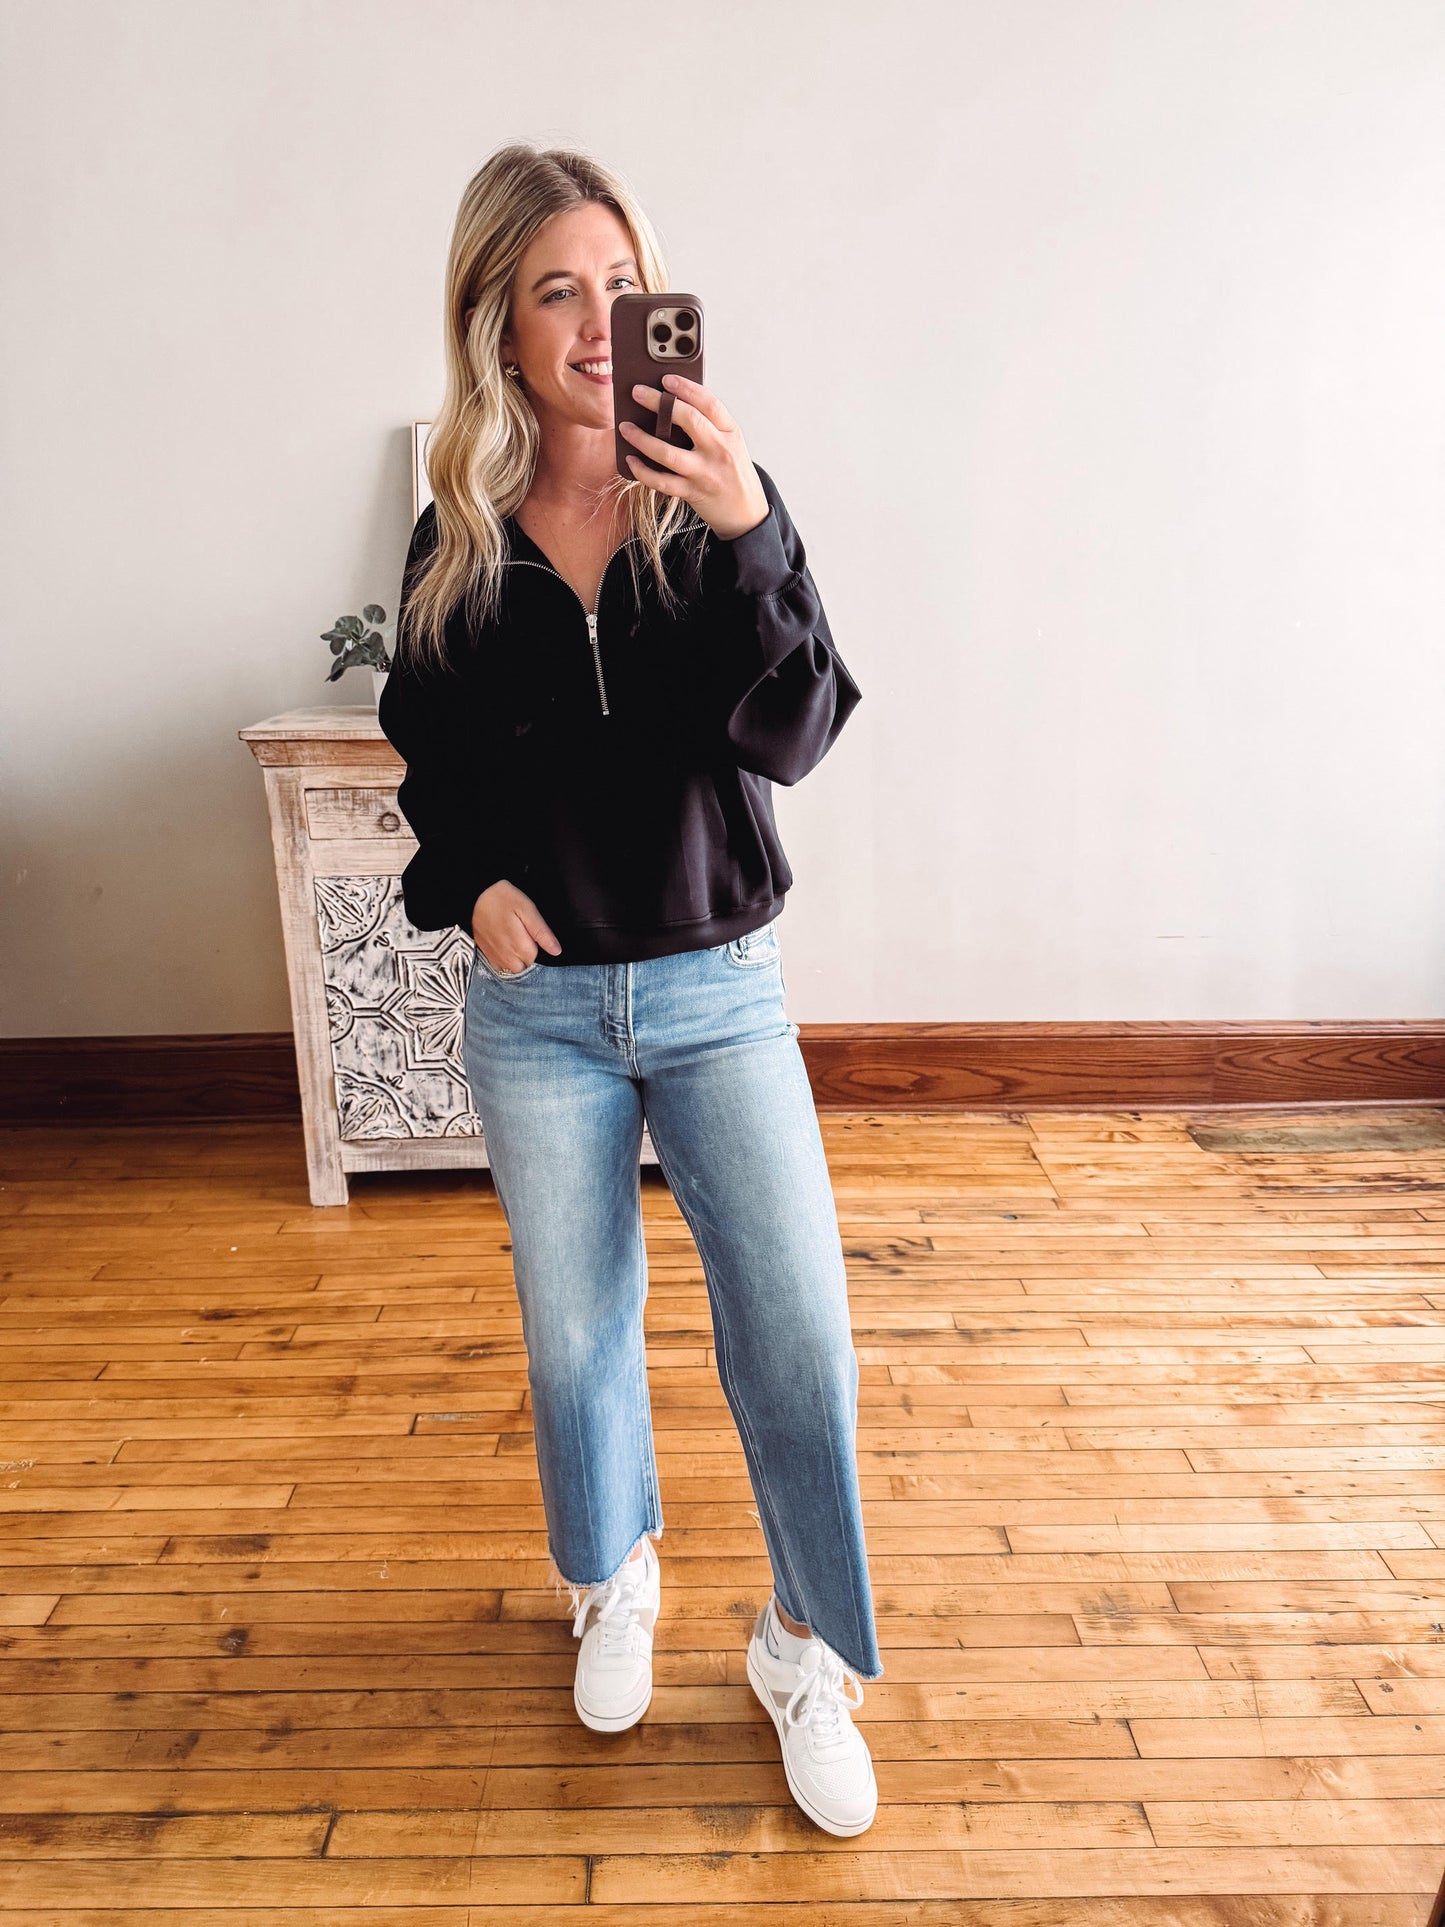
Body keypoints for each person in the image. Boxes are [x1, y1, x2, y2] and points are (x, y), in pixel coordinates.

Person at [378, 142, 880, 1837]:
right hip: (540, 1015)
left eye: (618, 285)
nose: (597, 324)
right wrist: (473, 888)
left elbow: (798, 732)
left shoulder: (715, 504)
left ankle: (801, 1644)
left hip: (718, 986)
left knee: (798, 1341)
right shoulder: (457, 534)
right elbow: (426, 758)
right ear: (498, 329)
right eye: (554, 293)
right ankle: (616, 1577)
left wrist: (745, 523)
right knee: (576, 1330)